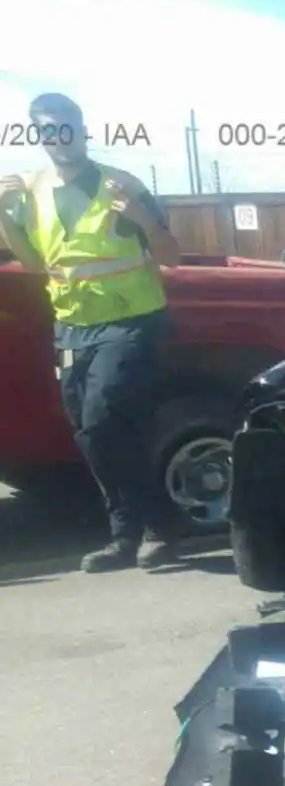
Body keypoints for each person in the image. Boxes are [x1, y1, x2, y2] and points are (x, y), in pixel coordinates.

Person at [0, 92, 184, 571]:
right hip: (72, 327)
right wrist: (2, 212)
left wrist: (142, 219)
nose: (59, 137)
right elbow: (36, 262)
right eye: (48, 129)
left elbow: (172, 256)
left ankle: (159, 528)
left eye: (67, 126)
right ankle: (127, 536)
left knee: (103, 419)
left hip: (131, 320)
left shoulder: (119, 184)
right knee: (90, 432)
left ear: (82, 130)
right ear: (38, 136)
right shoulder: (33, 192)